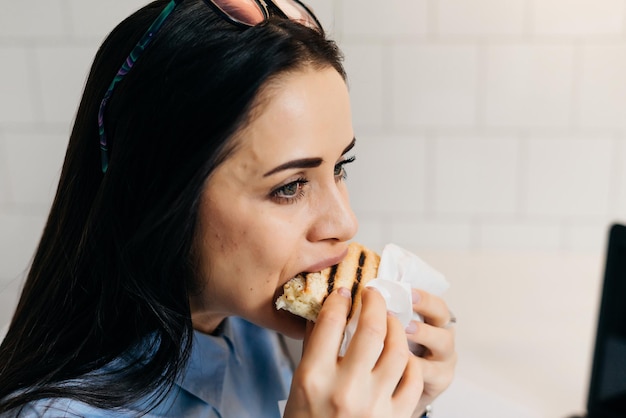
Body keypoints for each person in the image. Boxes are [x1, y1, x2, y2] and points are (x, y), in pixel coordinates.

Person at [0, 0, 457, 416]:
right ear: (164, 197)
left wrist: (402, 402)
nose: (345, 223)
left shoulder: (258, 331)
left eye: (340, 166)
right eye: (291, 186)